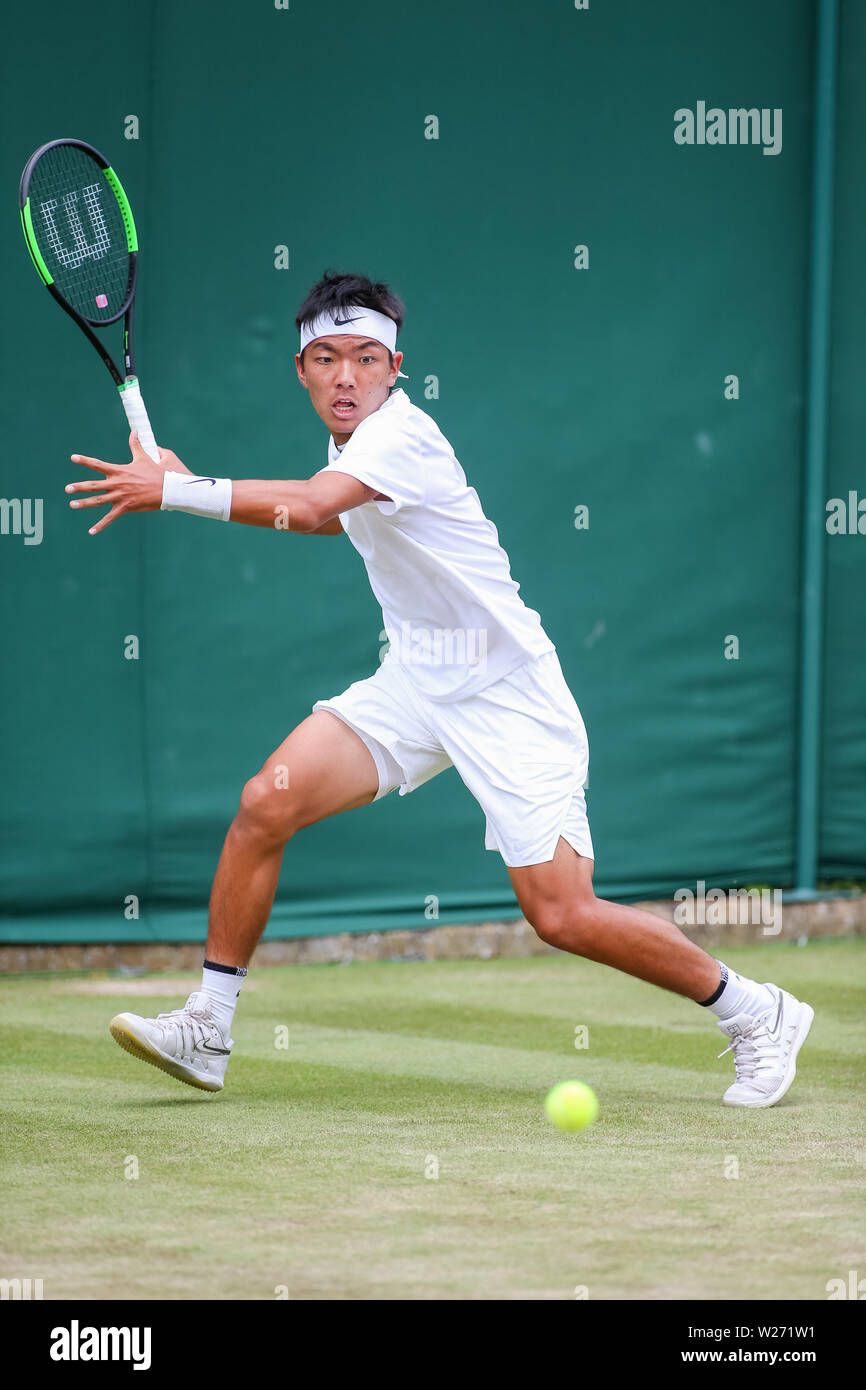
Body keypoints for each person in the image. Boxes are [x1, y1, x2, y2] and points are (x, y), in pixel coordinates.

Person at [65, 270, 813, 1107]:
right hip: (419, 681)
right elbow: (312, 498)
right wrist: (187, 480)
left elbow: (311, 512)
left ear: (394, 369)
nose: (345, 376)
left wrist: (174, 488)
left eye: (364, 358)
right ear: (302, 371)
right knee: (265, 803)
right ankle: (210, 1027)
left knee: (561, 913)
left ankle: (758, 1011)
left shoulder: (402, 437)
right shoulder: (346, 447)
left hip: (507, 695)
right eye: (325, 358)